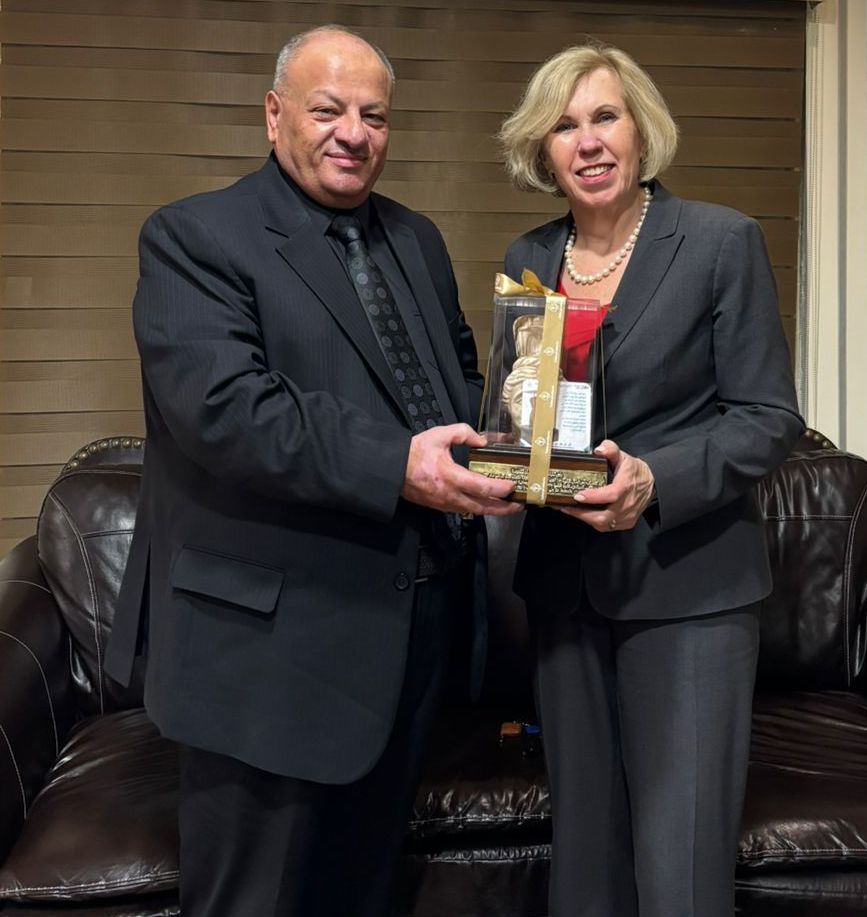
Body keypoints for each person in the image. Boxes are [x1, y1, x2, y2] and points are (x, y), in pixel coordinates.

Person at [103, 24, 519, 917]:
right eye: (328, 109)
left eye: (374, 115)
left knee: (364, 894)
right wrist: (400, 463)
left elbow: (454, 375)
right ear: (273, 114)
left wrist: (511, 439)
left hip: (408, 639)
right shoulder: (193, 236)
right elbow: (228, 411)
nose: (353, 133)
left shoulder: (416, 239)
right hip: (266, 655)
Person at [498, 42, 804, 917]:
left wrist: (653, 478)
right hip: (563, 592)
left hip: (689, 588)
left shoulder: (718, 241)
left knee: (681, 870)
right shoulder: (529, 254)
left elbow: (766, 417)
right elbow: (523, 408)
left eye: (605, 116)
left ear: (640, 130)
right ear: (542, 148)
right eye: (564, 125)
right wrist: (505, 441)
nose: (587, 141)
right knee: (584, 869)